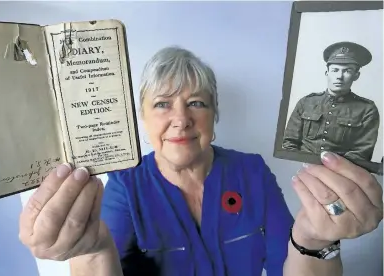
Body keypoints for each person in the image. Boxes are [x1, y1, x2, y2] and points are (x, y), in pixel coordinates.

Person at [19, 46, 383, 276]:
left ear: (214, 114)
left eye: (196, 103)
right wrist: (90, 251)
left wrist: (316, 239)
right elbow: (103, 261)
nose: (181, 119)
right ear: (142, 120)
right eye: (162, 104)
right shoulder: (124, 186)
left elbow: (289, 264)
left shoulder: (251, 172)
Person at [282, 41, 380, 162]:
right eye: (335, 70)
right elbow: (289, 143)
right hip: (301, 167)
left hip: (340, 173)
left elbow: (362, 152)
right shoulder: (306, 103)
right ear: (327, 73)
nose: (339, 76)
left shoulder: (367, 109)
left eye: (347, 71)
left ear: (356, 75)